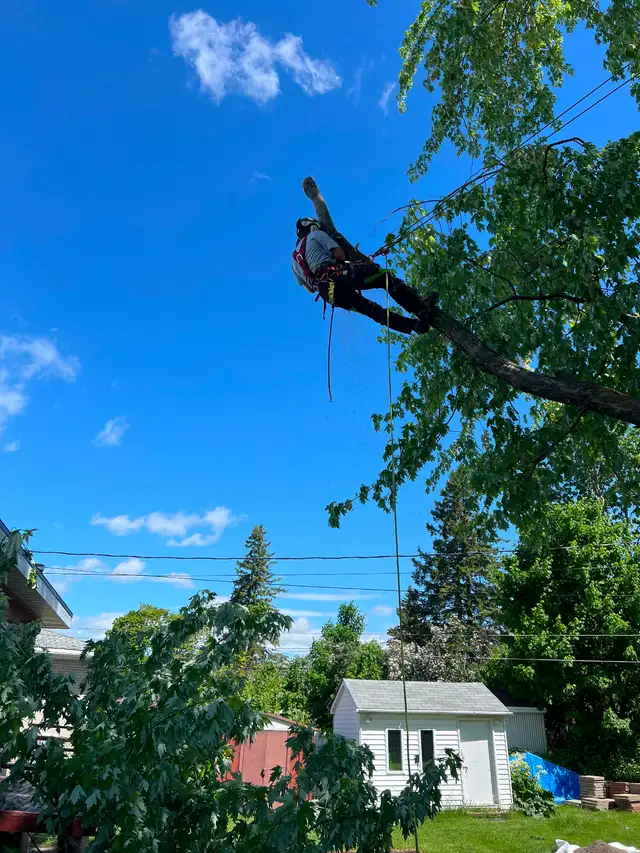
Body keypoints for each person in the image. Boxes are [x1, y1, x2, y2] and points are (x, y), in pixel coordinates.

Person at [292, 218, 433, 335]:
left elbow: (310, 289)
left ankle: (415, 326)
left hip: (329, 294)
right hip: (340, 275)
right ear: (312, 226)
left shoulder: (294, 262)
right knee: (383, 276)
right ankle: (419, 307)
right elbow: (339, 255)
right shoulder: (317, 235)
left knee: (372, 311)